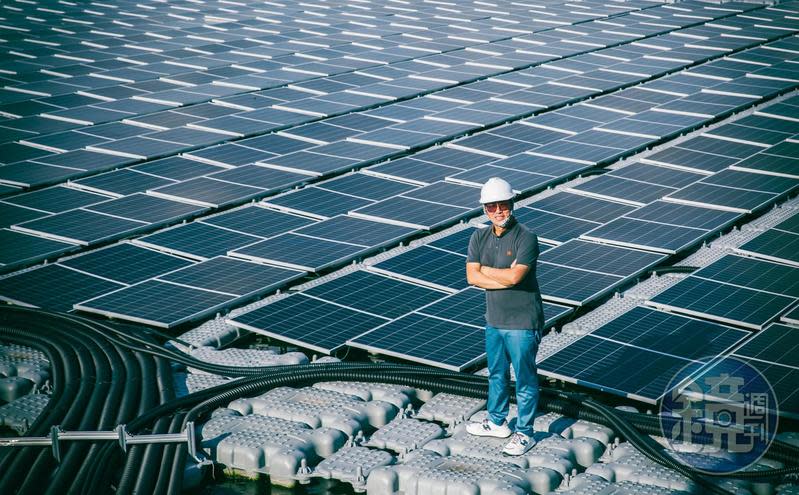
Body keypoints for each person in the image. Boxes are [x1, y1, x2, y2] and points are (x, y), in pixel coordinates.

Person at [465, 177, 545, 456]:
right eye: (491, 207)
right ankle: (497, 422)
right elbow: (470, 276)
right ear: (484, 210)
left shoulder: (527, 237)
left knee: (524, 378)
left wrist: (487, 273)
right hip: (494, 320)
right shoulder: (478, 236)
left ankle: (525, 432)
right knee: (496, 375)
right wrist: (502, 277)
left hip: (523, 323)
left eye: (502, 204)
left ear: (512, 203)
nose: (498, 211)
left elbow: (516, 277)